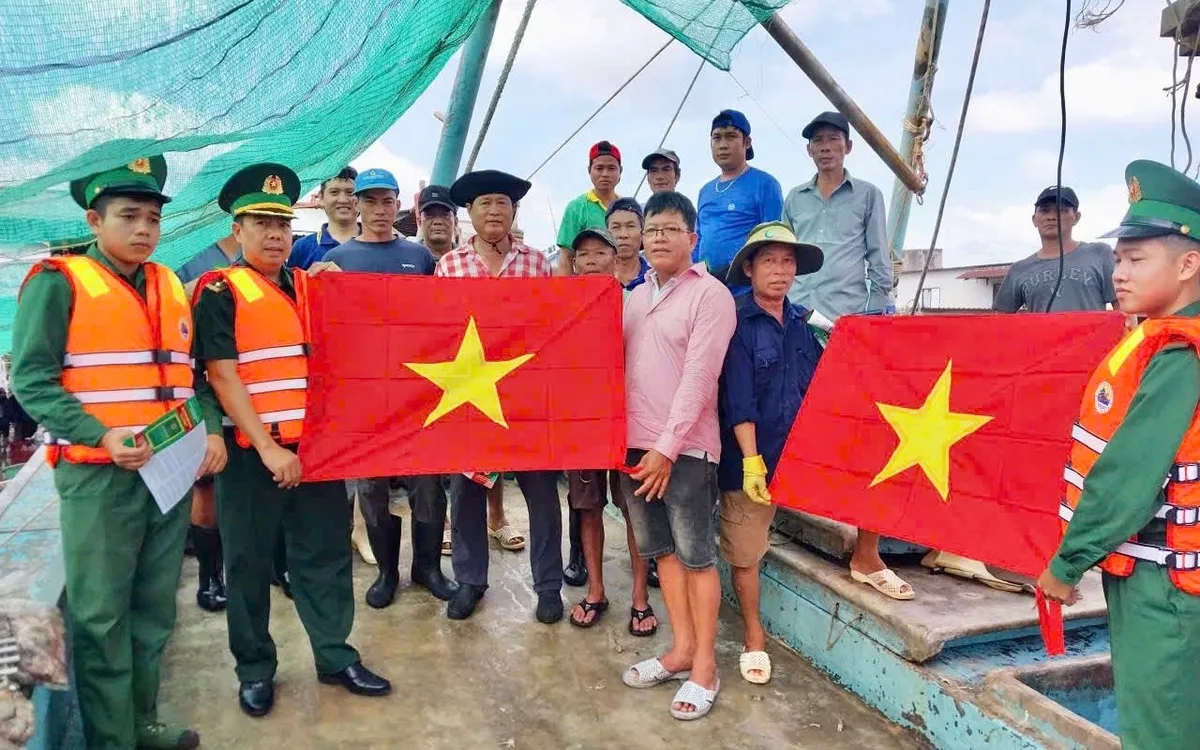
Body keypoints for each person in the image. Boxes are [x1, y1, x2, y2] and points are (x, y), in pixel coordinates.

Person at [11, 155, 226, 749]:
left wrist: (208, 430)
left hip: (170, 470)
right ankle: (113, 740)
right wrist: (99, 434)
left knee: (154, 607)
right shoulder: (58, 283)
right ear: (94, 220)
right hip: (98, 481)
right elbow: (32, 380)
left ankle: (143, 723)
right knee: (101, 617)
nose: (143, 230)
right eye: (129, 216)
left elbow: (193, 378)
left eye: (153, 219)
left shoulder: (170, 287)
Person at [193, 162, 390, 718]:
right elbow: (222, 375)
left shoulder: (311, 286)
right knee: (250, 564)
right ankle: (255, 669)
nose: (275, 234)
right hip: (253, 455)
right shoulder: (218, 290)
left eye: (282, 223)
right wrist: (270, 447)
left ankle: (335, 655)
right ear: (238, 229)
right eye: (261, 223)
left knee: (324, 557)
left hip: (318, 453)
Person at [1037, 160, 1200, 750]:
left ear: (1188, 264)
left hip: (1164, 591)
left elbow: (1130, 476)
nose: (1119, 272)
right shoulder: (1155, 336)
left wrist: (1067, 562)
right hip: (1161, 580)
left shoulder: (1178, 353)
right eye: (1117, 259)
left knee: (1162, 731)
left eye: (1136, 259)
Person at [783, 110, 910, 600]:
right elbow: (788, 257)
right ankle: (806, 501)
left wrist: (881, 318)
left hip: (849, 325)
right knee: (802, 415)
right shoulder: (795, 198)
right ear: (810, 150)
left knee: (858, 423)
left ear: (847, 147)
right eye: (817, 141)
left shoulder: (870, 196)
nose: (825, 147)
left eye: (833, 140)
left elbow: (880, 256)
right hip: (800, 319)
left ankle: (862, 536)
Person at [620, 191, 736, 721]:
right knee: (662, 552)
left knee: (696, 557)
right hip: (634, 447)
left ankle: (705, 666)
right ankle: (680, 649)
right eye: (651, 229)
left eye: (670, 229)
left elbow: (699, 378)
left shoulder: (711, 296)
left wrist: (667, 448)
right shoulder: (635, 296)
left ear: (693, 238)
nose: (659, 238)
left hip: (685, 450)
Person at [322, 168, 456, 607]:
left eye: (387, 201)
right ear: (356, 206)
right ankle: (385, 573)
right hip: (364, 399)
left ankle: (428, 568)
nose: (379, 210)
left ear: (399, 206)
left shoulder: (419, 259)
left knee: (428, 486)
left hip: (418, 392)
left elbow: (444, 320)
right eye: (370, 201)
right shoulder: (338, 260)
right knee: (371, 489)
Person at [436, 169, 564, 623]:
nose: (495, 211)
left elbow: (552, 328)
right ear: (469, 213)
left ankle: (548, 585)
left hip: (526, 395)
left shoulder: (536, 263)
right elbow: (436, 331)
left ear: (514, 212)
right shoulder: (449, 266)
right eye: (485, 203)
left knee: (542, 493)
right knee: (466, 491)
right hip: (470, 395)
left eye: (503, 203)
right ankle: (470, 580)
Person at [718, 222, 824, 684]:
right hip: (748, 456)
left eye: (787, 261)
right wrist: (750, 460)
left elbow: (820, 384)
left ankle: (868, 562)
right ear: (749, 268)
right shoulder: (736, 319)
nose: (779, 271)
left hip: (795, 452)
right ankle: (754, 635)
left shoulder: (803, 322)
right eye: (769, 261)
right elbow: (736, 397)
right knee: (745, 551)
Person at [564, 227, 655, 634]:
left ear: (614, 258)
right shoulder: (562, 309)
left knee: (635, 511)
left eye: (599, 253)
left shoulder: (634, 304)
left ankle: (640, 597)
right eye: (582, 255)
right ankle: (596, 590)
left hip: (628, 424)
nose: (590, 261)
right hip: (581, 426)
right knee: (587, 507)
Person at [172, 233, 242, 613]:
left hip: (253, 384)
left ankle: (267, 567)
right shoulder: (188, 255)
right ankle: (210, 575)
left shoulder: (272, 248)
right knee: (207, 484)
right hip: (201, 381)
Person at [695, 110, 784, 292]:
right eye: (717, 138)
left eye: (731, 136)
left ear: (747, 142)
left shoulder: (765, 184)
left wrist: (734, 270)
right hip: (706, 290)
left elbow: (771, 240)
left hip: (747, 293)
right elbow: (698, 240)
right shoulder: (705, 191)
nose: (723, 145)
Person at [993, 186, 1116, 313]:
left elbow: (1124, 309)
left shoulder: (1099, 254)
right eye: (1045, 211)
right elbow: (999, 322)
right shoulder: (1018, 270)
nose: (1051, 217)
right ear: (1034, 219)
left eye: (1061, 210)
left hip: (1093, 333)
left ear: (1076, 217)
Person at [555, 141, 623, 275]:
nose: (605, 174)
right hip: (590, 287)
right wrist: (564, 293)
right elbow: (566, 258)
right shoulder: (577, 207)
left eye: (611, 168)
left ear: (620, 171)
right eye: (599, 168)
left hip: (626, 285)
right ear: (589, 171)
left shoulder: (626, 208)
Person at [286, 166, 359, 270]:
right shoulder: (302, 247)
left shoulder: (378, 244)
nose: (343, 200)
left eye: (350, 192)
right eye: (334, 192)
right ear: (320, 197)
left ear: (360, 197)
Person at [607, 197, 651, 292]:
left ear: (642, 232)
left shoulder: (655, 279)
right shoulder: (597, 278)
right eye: (616, 227)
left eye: (631, 226)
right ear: (606, 233)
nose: (623, 235)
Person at [416, 184, 459, 260]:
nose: (438, 222)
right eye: (429, 215)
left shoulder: (470, 261)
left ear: (455, 222)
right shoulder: (406, 258)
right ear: (419, 222)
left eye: (445, 215)